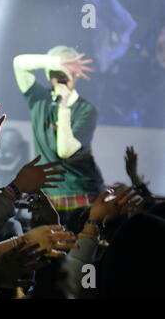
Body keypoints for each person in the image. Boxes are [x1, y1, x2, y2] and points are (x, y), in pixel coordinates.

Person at [13, 46, 105, 233]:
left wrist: (64, 108)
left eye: (67, 72)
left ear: (76, 76)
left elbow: (65, 150)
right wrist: (56, 62)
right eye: (56, 72)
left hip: (81, 195)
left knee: (80, 253)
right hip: (47, 198)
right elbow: (19, 63)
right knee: (42, 256)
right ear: (48, 74)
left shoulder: (86, 110)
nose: (61, 77)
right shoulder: (39, 99)